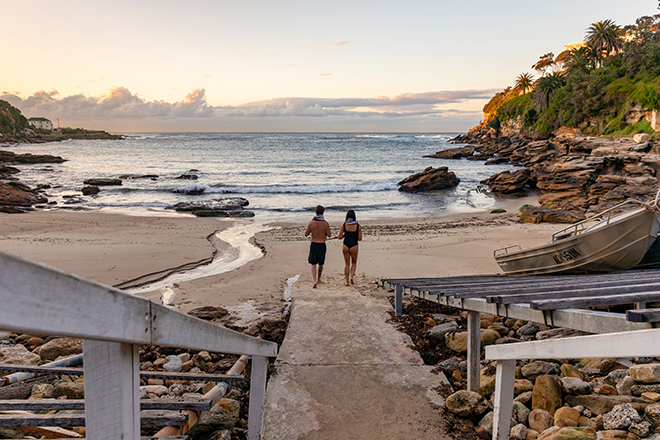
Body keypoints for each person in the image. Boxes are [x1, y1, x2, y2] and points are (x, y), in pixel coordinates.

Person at [304, 205, 331, 288]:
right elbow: (329, 235)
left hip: (314, 244)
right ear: (323, 212)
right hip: (322, 244)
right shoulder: (325, 223)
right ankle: (319, 279)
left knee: (313, 264)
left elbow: (306, 234)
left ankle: (314, 280)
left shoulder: (311, 223)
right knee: (321, 263)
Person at [337, 209, 362, 286]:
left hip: (346, 245)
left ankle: (347, 281)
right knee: (354, 262)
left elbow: (340, 237)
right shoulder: (358, 226)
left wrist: (345, 235)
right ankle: (351, 276)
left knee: (347, 264)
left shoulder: (344, 225)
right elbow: (359, 238)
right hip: (354, 245)